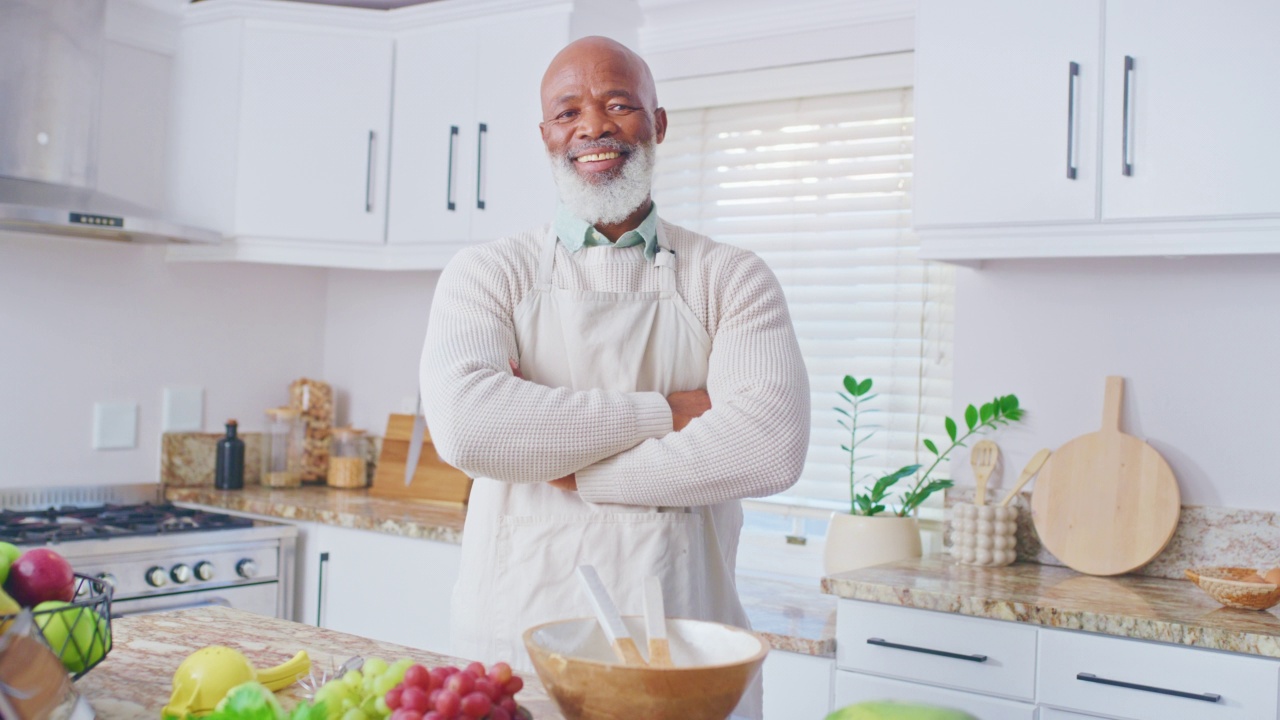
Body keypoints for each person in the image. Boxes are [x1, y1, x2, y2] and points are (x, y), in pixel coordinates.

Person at [420, 35, 809, 719]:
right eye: (567, 112)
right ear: (546, 136)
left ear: (657, 124)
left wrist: (576, 469)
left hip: (687, 639)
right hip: (517, 634)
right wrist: (673, 410)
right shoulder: (488, 275)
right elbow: (471, 429)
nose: (592, 126)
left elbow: (768, 444)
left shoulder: (731, 276)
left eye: (618, 104)